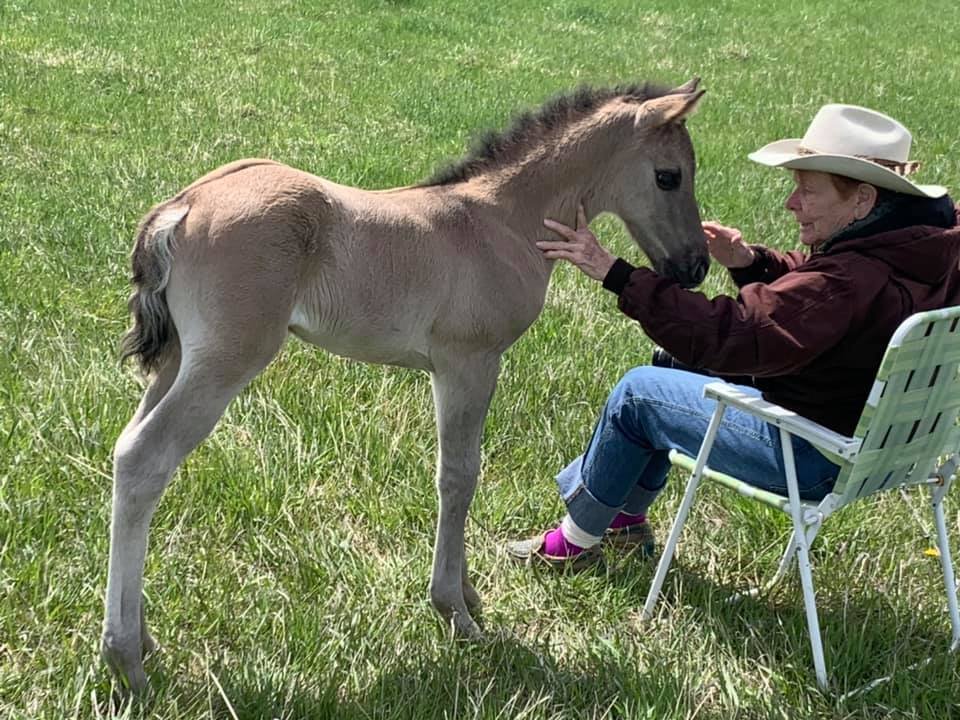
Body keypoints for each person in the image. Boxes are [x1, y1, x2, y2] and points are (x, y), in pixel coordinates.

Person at [506, 103, 960, 568]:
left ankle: (572, 545)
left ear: (863, 200)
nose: (791, 202)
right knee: (669, 364)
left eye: (807, 190)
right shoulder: (924, 248)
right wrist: (749, 262)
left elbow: (731, 335)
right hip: (882, 449)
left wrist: (618, 274)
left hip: (811, 455)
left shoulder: (849, 279)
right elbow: (821, 293)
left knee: (638, 395)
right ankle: (624, 522)